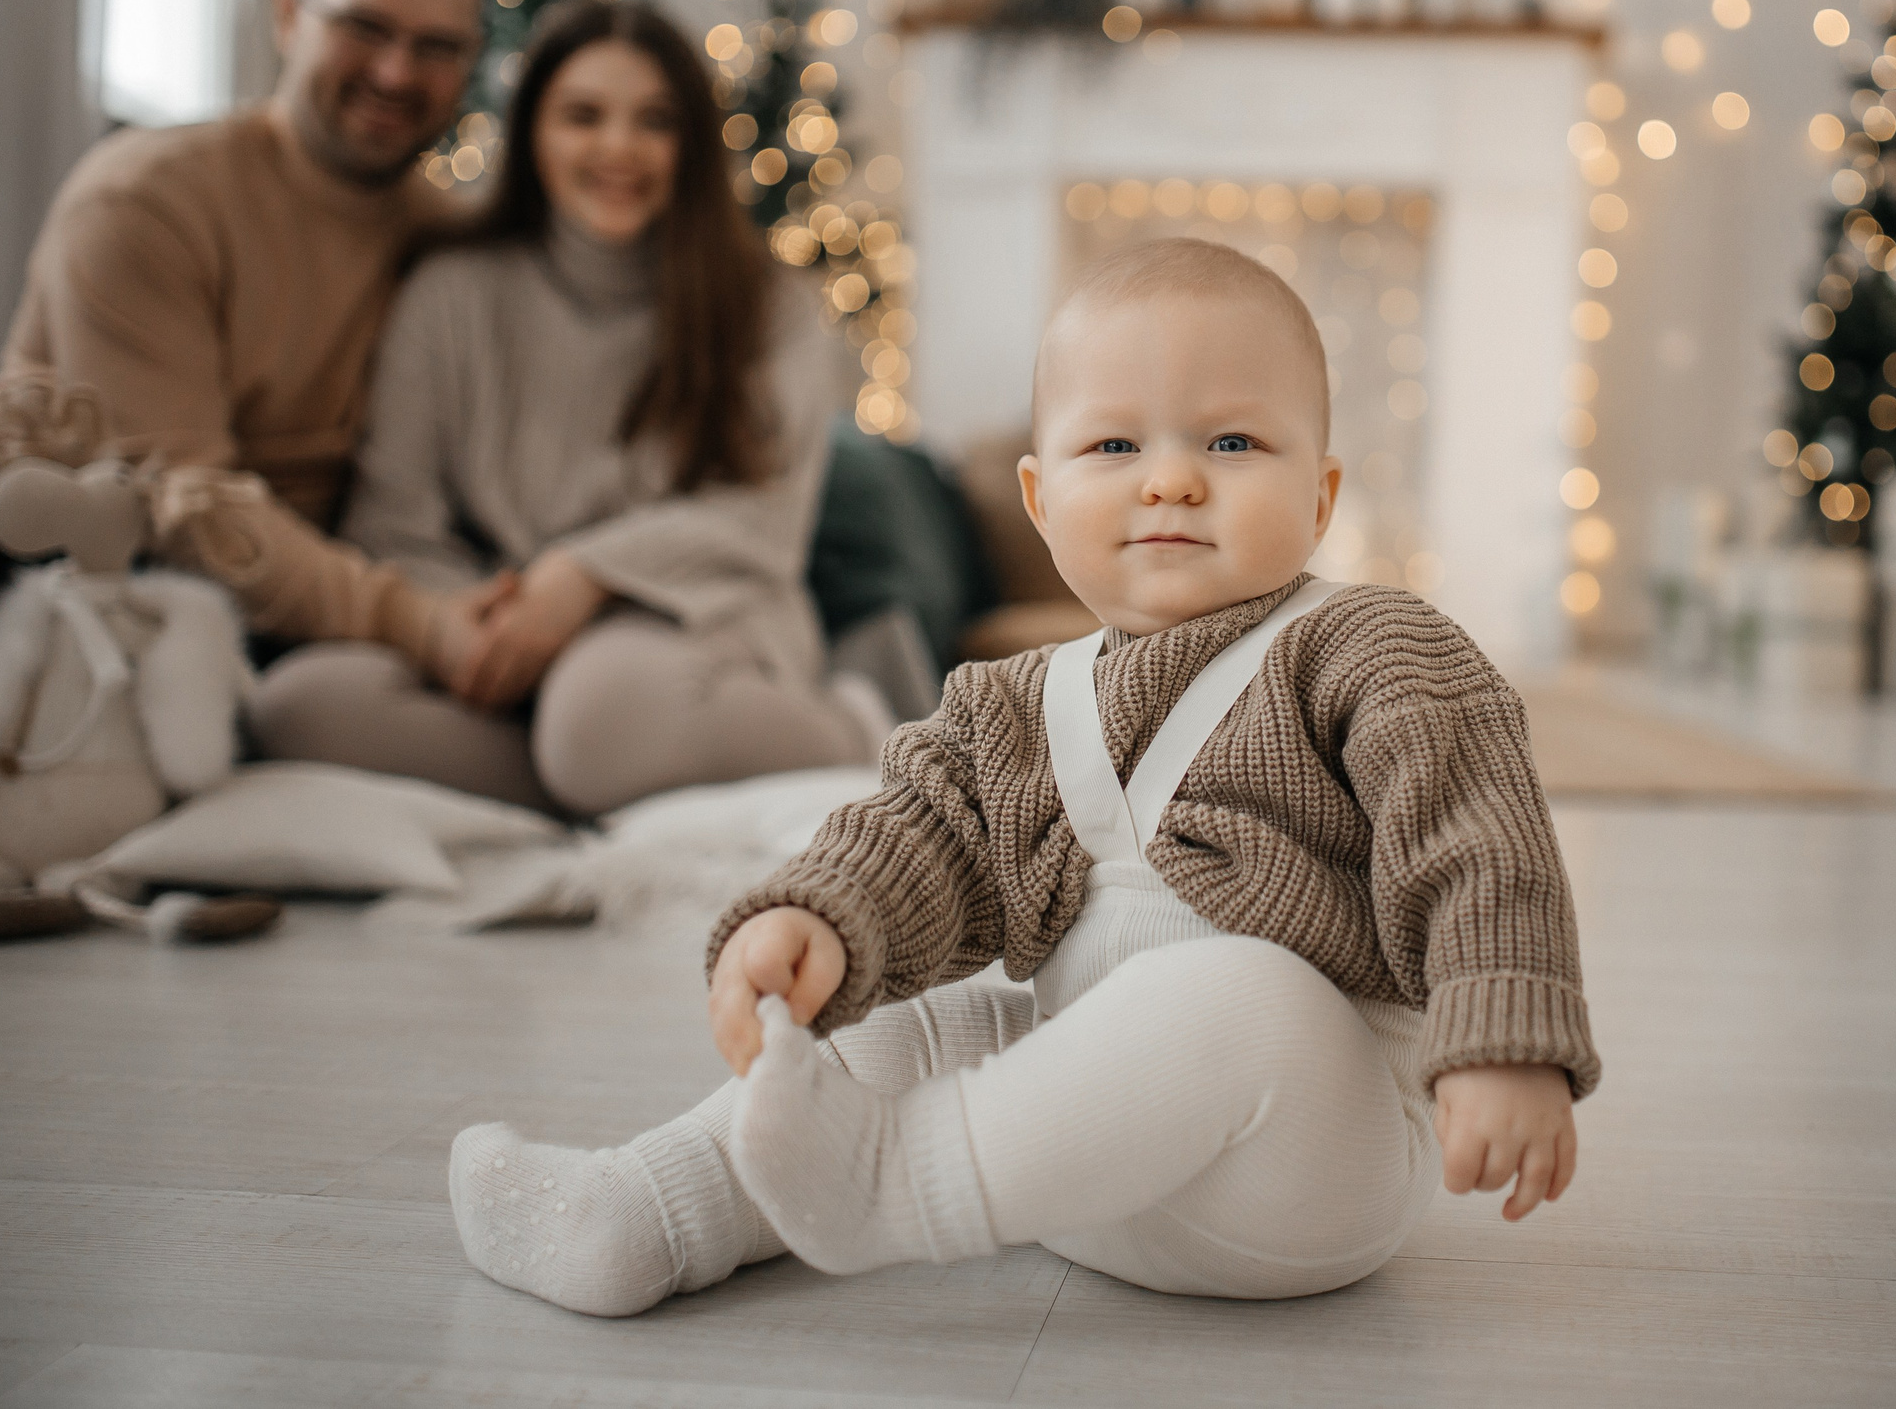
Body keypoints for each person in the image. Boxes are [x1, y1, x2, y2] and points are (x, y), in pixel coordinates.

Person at [444, 237, 1600, 1314]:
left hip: (1302, 1167)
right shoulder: (1010, 702)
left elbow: (1475, 835)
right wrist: (815, 916)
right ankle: (649, 1208)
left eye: (1232, 443)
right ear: (1042, 501)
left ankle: (903, 1185)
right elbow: (910, 834)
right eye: (1116, 445)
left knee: (1245, 995)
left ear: (1321, 497)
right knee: (936, 1024)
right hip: (1082, 1184)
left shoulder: (1370, 646)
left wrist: (1502, 1038)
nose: (1171, 482)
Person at [246, 0, 883, 815]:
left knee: (605, 708)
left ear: (689, 144)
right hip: (503, 627)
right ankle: (594, 774)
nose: (618, 147)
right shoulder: (450, 294)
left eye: (653, 121)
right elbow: (392, 525)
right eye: (583, 115)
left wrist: (582, 578)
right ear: (533, 131)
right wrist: (480, 622)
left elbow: (762, 524)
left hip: (696, 618)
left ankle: (854, 734)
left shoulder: (769, 304)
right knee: (297, 706)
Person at [0, 0, 485, 666]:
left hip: (309, 599)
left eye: (437, 47)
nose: (396, 72)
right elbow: (179, 507)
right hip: (75, 586)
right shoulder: (145, 201)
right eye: (364, 28)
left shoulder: (450, 240)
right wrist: (419, 622)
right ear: (287, 15)